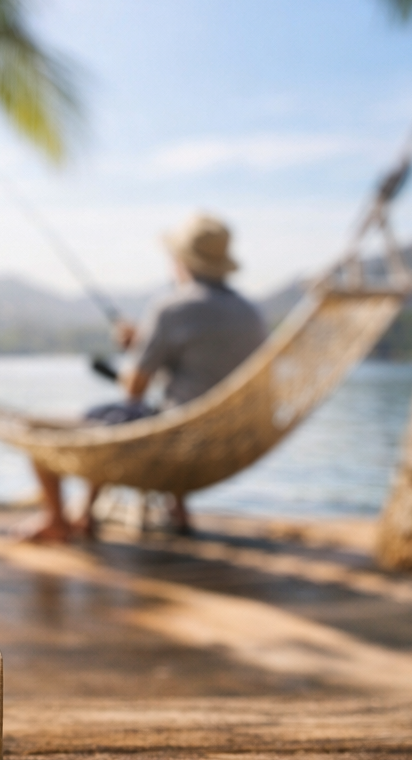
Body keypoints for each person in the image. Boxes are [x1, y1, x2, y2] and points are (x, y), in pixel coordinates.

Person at [24, 212, 268, 542]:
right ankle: (140, 511)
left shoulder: (171, 308)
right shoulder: (252, 315)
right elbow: (207, 371)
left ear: (180, 261)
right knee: (136, 418)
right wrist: (147, 344)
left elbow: (134, 390)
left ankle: (58, 519)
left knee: (46, 431)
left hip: (173, 441)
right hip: (230, 440)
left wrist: (136, 351)